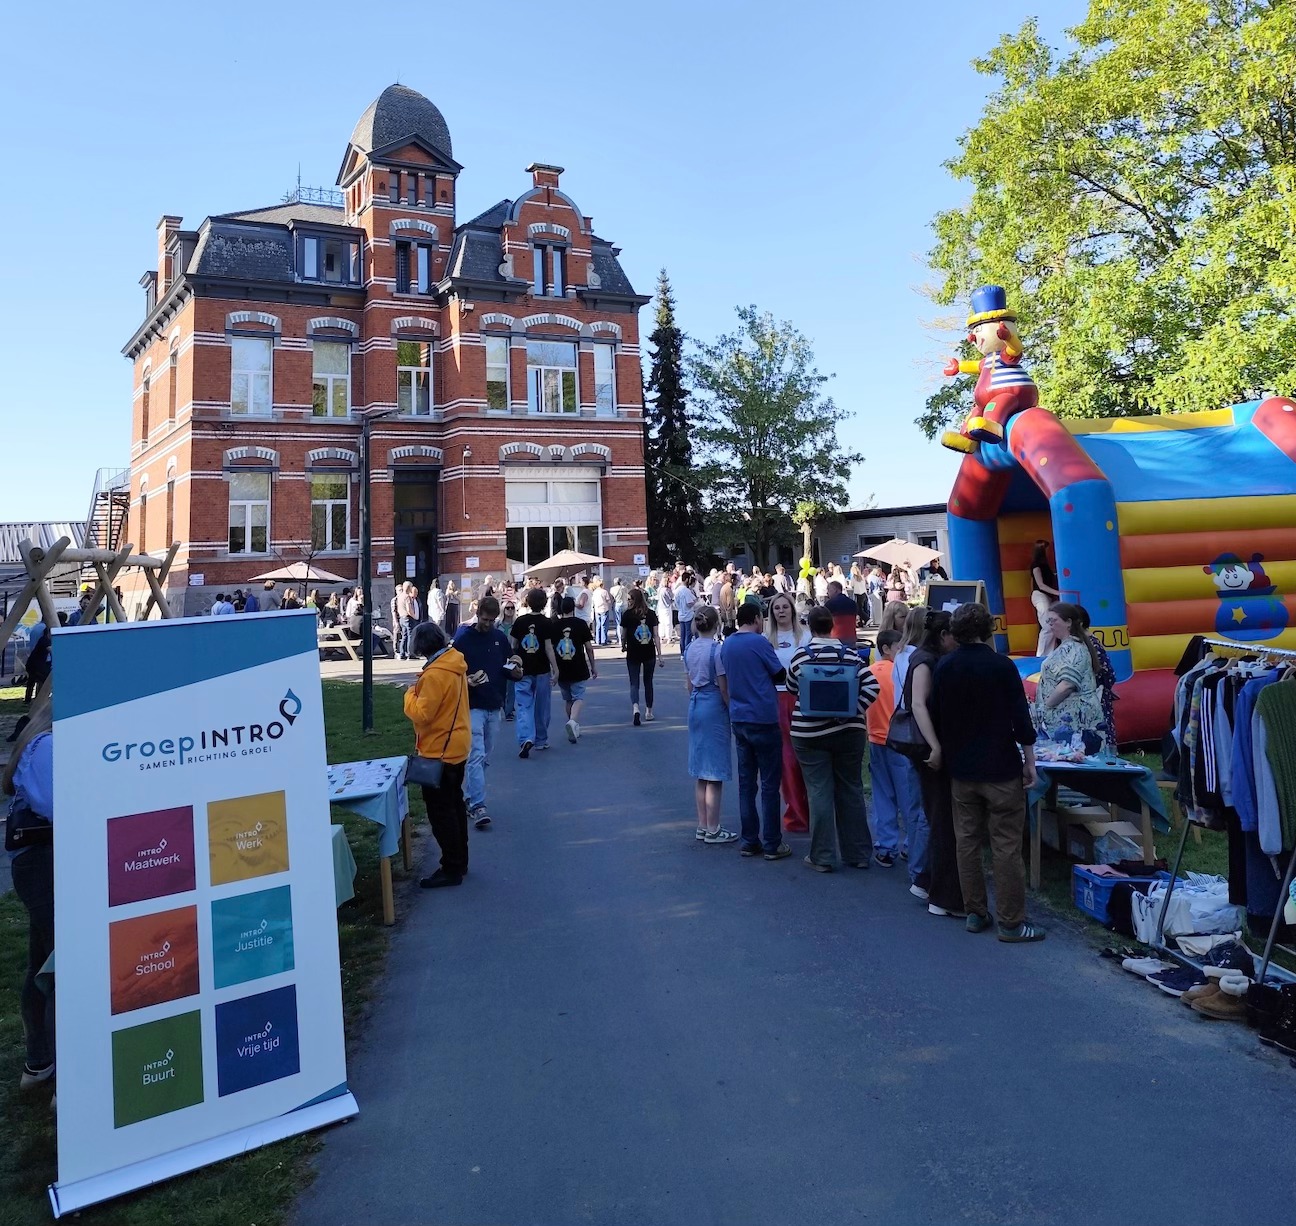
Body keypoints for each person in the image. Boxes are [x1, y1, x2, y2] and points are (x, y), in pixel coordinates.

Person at [930, 602, 1044, 941]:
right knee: (1005, 845)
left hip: (962, 769)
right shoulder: (1001, 666)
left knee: (967, 843)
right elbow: (1019, 717)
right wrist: (1030, 759)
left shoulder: (945, 666)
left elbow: (938, 714)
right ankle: (1011, 921)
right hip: (999, 767)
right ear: (987, 630)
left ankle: (975, 912)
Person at [786, 606, 879, 872]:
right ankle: (858, 853)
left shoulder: (801, 657)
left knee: (818, 791)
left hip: (809, 734)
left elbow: (793, 688)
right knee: (850, 789)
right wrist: (851, 710)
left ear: (810, 627)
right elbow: (873, 686)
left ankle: (823, 856)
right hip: (849, 733)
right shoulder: (850, 654)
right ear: (833, 626)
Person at [2, 696, 56, 1092]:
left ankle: (39, 1063)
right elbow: (63, 807)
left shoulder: (44, 740)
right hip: (45, 864)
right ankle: (67, 1079)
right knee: (62, 968)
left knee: (44, 962)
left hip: (46, 863)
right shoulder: (48, 746)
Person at [403, 622, 472, 888]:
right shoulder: (455, 663)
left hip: (439, 750)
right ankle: (460, 860)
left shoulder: (434, 675)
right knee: (455, 805)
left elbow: (422, 714)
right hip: (457, 744)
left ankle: (451, 867)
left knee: (441, 812)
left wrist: (409, 695)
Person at [720, 601, 791, 859]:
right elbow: (779, 674)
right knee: (770, 783)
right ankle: (772, 842)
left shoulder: (727, 644)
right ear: (757, 618)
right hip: (763, 716)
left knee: (747, 783)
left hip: (739, 718)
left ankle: (750, 839)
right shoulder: (760, 643)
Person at [905, 610, 964, 917]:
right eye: (954, 636)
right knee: (942, 819)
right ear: (943, 635)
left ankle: (928, 880)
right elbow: (917, 704)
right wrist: (936, 746)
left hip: (928, 747)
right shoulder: (926, 661)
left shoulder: (924, 657)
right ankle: (942, 895)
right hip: (929, 749)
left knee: (939, 815)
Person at [452, 595, 517, 829]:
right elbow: (452, 669)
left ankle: (470, 796)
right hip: (472, 705)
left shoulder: (499, 638)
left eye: (491, 620)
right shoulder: (463, 637)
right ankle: (478, 805)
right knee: (476, 754)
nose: (487, 624)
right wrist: (466, 679)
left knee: (485, 756)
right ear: (477, 613)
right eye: (484, 619)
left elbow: (508, 667)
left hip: (494, 703)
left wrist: (516, 670)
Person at [684, 605, 737, 845]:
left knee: (700, 770)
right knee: (714, 770)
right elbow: (723, 687)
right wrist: (731, 710)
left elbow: (689, 685)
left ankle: (703, 824)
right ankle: (714, 827)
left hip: (695, 703)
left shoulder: (689, 648)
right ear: (716, 625)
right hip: (713, 703)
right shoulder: (717, 650)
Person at [1035, 602, 1106, 752]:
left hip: (1075, 721)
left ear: (1068, 622)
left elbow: (1067, 685)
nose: (1050, 625)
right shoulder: (1067, 646)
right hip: (1066, 720)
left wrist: (1044, 707)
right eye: (1048, 621)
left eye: (1054, 621)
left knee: (1077, 762)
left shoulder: (1074, 649)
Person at [766, 592, 811, 834]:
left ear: (792, 610)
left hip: (803, 698)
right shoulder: (766, 639)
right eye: (777, 608)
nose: (781, 611)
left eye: (785, 607)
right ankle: (795, 815)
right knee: (787, 761)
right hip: (778, 699)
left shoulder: (805, 636)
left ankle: (814, 810)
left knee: (808, 757)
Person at [866, 629, 908, 866]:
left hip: (875, 738)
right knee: (908, 795)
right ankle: (912, 844)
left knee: (882, 794)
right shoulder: (900, 672)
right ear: (886, 649)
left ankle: (886, 845)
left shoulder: (869, 673)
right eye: (898, 647)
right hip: (900, 740)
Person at [510, 587, 558, 757]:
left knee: (524, 705)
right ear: (544, 603)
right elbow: (548, 648)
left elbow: (514, 645)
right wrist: (556, 669)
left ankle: (525, 738)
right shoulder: (546, 623)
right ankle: (541, 739)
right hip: (542, 669)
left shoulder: (520, 621)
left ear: (527, 602)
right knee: (542, 706)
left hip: (522, 670)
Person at [552, 594, 597, 743]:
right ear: (573, 608)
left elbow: (550, 648)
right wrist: (593, 666)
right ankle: (572, 722)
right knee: (579, 697)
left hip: (561, 667)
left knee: (568, 699)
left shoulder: (554, 626)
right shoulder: (581, 624)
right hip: (578, 666)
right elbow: (589, 648)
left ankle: (573, 724)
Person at [621, 585, 663, 725]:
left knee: (634, 682)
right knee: (648, 681)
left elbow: (623, 634)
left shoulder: (627, 614)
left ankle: (635, 708)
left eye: (629, 599)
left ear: (634, 600)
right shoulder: (651, 614)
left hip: (633, 652)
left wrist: (623, 645)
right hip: (649, 652)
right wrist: (660, 655)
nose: (628, 602)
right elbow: (656, 635)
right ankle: (649, 711)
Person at [1077, 605, 1118, 748]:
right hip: (1096, 695)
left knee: (1098, 732)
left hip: (1095, 696)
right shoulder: (1086, 643)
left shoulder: (1090, 644)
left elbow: (1106, 671)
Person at [1030, 540, 1061, 657]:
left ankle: (1050, 654)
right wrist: (1057, 593)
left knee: (1052, 625)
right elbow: (1041, 585)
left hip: (1047, 597)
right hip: (1040, 596)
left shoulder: (1045, 565)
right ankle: (1041, 655)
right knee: (1047, 625)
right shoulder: (1036, 566)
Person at [499, 599, 518, 721]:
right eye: (508, 608)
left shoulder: (517, 624)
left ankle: (509, 710)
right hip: (499, 656)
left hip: (512, 656)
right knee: (501, 684)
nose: (510, 610)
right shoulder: (497, 625)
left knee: (511, 685)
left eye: (512, 608)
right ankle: (503, 704)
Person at [824, 580, 858, 646]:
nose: (827, 592)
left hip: (835, 638)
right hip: (851, 638)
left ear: (835, 590)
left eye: (829, 590)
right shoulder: (853, 603)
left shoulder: (829, 604)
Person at [675, 571, 698, 655]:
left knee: (682, 635)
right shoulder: (686, 591)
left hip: (681, 614)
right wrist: (695, 601)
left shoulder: (677, 590)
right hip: (688, 614)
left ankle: (682, 652)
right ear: (687, 579)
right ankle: (686, 651)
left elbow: (675, 603)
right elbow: (689, 603)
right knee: (688, 635)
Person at [590, 578, 613, 646]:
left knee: (598, 625)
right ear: (602, 585)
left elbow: (593, 601)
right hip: (604, 609)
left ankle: (598, 640)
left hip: (597, 610)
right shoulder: (604, 591)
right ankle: (603, 640)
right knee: (604, 625)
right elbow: (608, 600)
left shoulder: (594, 592)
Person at [401, 583, 422, 660]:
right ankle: (410, 654)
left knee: (404, 636)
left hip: (402, 617)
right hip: (408, 618)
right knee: (410, 636)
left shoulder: (400, 596)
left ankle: (402, 653)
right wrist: (414, 617)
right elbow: (409, 609)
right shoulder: (407, 597)